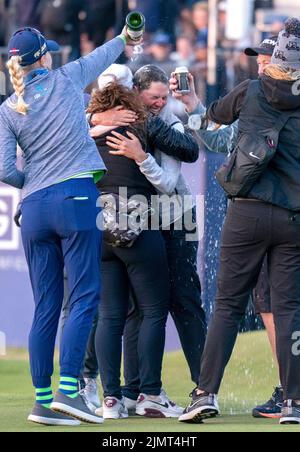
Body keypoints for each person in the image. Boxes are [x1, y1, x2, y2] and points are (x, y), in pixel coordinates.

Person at [0, 25, 139, 426]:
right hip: (76, 199)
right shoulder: (65, 78)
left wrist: (34, 186)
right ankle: (69, 392)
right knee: (82, 298)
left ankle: (43, 402)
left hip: (34, 208)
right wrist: (127, 39)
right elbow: (104, 55)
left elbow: (7, 170)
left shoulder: (9, 107)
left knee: (45, 305)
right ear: (44, 57)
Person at [177, 18, 300, 425]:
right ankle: (293, 403)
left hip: (246, 212)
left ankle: (205, 393)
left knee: (227, 305)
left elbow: (212, 118)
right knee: (289, 311)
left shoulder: (250, 90)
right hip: (293, 218)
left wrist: (196, 105)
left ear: (275, 57)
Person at [91, 65, 207, 411]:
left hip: (176, 215)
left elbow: (183, 161)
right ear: (135, 94)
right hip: (139, 217)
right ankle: (134, 391)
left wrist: (140, 154)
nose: (159, 103)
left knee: (184, 301)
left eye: (163, 97)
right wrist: (97, 117)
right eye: (152, 98)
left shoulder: (163, 121)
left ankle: (204, 387)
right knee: (134, 310)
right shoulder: (116, 119)